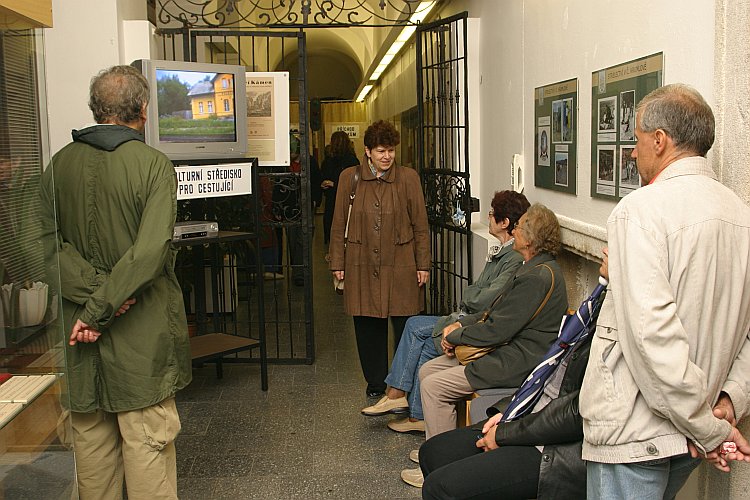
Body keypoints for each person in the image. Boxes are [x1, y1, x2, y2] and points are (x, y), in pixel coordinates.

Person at [579, 83, 750, 499]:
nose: (633, 153)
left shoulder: (640, 211)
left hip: (636, 436)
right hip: (692, 428)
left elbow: (651, 336)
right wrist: (728, 402)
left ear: (660, 140)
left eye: (636, 139)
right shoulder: (742, 216)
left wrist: (707, 426)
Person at [39, 65, 191, 499]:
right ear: (142, 110)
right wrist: (103, 305)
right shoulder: (153, 166)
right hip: (138, 344)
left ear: (95, 108)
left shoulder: (57, 166)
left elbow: (38, 242)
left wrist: (89, 302)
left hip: (79, 343)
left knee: (92, 460)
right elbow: (148, 253)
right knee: (147, 452)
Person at [418, 248, 610, 499]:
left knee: (439, 487)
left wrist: (507, 432)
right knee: (432, 452)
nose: (604, 249)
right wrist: (506, 413)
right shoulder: (598, 304)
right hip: (531, 413)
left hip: (554, 448)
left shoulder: (543, 278)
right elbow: (544, 377)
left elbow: (576, 412)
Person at [400, 203, 569, 487]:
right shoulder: (531, 268)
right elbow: (492, 312)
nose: (514, 230)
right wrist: (460, 326)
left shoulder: (537, 276)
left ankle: (442, 465)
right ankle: (440, 445)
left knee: (433, 386)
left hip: (517, 362)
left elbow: (497, 329)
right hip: (506, 351)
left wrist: (455, 336)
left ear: (532, 238)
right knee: (429, 371)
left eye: (521, 226)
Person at [361, 191, 530, 434]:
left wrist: (471, 298)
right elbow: (477, 291)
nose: (488, 218)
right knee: (415, 326)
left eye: (493, 215)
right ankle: (403, 400)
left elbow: (482, 298)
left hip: (474, 322)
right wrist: (473, 296)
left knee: (425, 338)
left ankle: (406, 403)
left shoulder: (511, 258)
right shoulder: (501, 252)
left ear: (505, 223)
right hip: (469, 317)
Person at [328, 120, 430, 398]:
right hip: (361, 262)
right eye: (381, 151)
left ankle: (401, 384)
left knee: (404, 326)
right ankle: (375, 383)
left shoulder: (408, 178)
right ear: (368, 151)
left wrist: (423, 264)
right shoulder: (349, 178)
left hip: (402, 263)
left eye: (391, 151)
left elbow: (421, 225)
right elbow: (338, 225)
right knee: (367, 325)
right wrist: (337, 262)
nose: (387, 157)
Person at [320, 131, 359, 245]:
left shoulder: (327, 161)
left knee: (333, 228)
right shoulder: (352, 161)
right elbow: (355, 182)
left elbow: (323, 177)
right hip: (347, 201)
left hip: (332, 199)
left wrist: (327, 184)